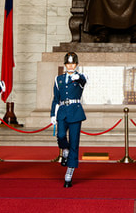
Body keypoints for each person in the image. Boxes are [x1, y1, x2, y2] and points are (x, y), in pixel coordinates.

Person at [50, 52, 87, 188]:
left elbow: (83, 81)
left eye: (73, 64)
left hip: (75, 112)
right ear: (65, 65)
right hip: (62, 111)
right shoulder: (58, 79)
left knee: (74, 142)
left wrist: (78, 78)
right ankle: (64, 149)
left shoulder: (80, 77)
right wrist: (53, 114)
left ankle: (69, 172)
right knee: (60, 136)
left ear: (76, 65)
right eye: (68, 64)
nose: (70, 66)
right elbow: (56, 98)